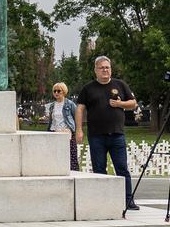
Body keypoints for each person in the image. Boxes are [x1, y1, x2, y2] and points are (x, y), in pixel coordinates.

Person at [75, 56, 137, 212]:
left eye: (107, 67)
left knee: (122, 169)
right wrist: (79, 129)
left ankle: (128, 200)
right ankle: (102, 199)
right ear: (95, 70)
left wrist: (120, 104)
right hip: (96, 136)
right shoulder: (88, 88)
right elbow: (80, 109)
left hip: (117, 135)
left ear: (111, 69)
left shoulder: (120, 85)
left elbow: (133, 103)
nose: (105, 70)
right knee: (99, 169)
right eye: (101, 67)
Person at [46, 82, 79, 171]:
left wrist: (75, 130)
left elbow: (76, 117)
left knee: (70, 157)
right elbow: (51, 120)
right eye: (54, 91)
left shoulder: (70, 104)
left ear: (64, 92)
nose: (56, 93)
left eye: (58, 91)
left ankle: (73, 173)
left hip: (66, 133)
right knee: (55, 155)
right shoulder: (52, 106)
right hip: (54, 132)